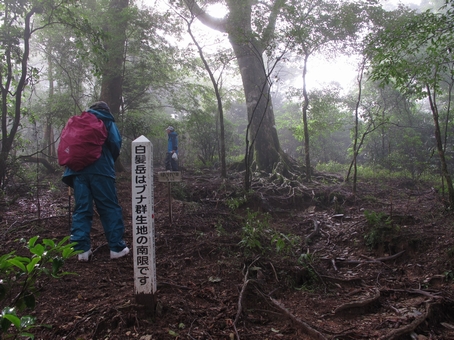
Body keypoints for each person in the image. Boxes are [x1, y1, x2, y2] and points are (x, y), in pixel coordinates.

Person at [62, 101, 129, 261]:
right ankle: (116, 248)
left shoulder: (79, 120)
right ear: (106, 110)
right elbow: (115, 144)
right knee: (108, 207)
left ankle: (82, 251)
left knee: (82, 209)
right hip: (101, 171)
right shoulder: (106, 120)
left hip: (77, 171)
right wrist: (106, 160)